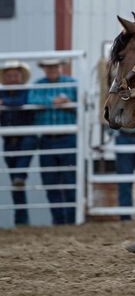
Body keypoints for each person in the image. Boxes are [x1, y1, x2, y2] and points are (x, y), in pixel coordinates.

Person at [29, 59, 78, 225]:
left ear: (60, 67)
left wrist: (67, 104)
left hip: (68, 137)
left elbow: (82, 104)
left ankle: (71, 219)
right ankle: (58, 220)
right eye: (48, 67)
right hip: (48, 139)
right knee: (51, 181)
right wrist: (55, 102)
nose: (52, 69)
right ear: (44, 69)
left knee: (71, 180)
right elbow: (32, 101)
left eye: (54, 66)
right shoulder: (37, 85)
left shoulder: (73, 83)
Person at [0, 60, 36, 226]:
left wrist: (4, 104)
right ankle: (21, 220)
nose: (12, 78)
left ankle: (20, 175)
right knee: (16, 182)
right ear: (4, 78)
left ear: (21, 77)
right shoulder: (3, 93)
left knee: (18, 176)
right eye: (9, 76)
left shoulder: (27, 91)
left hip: (26, 137)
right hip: (9, 140)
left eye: (15, 75)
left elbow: (23, 102)